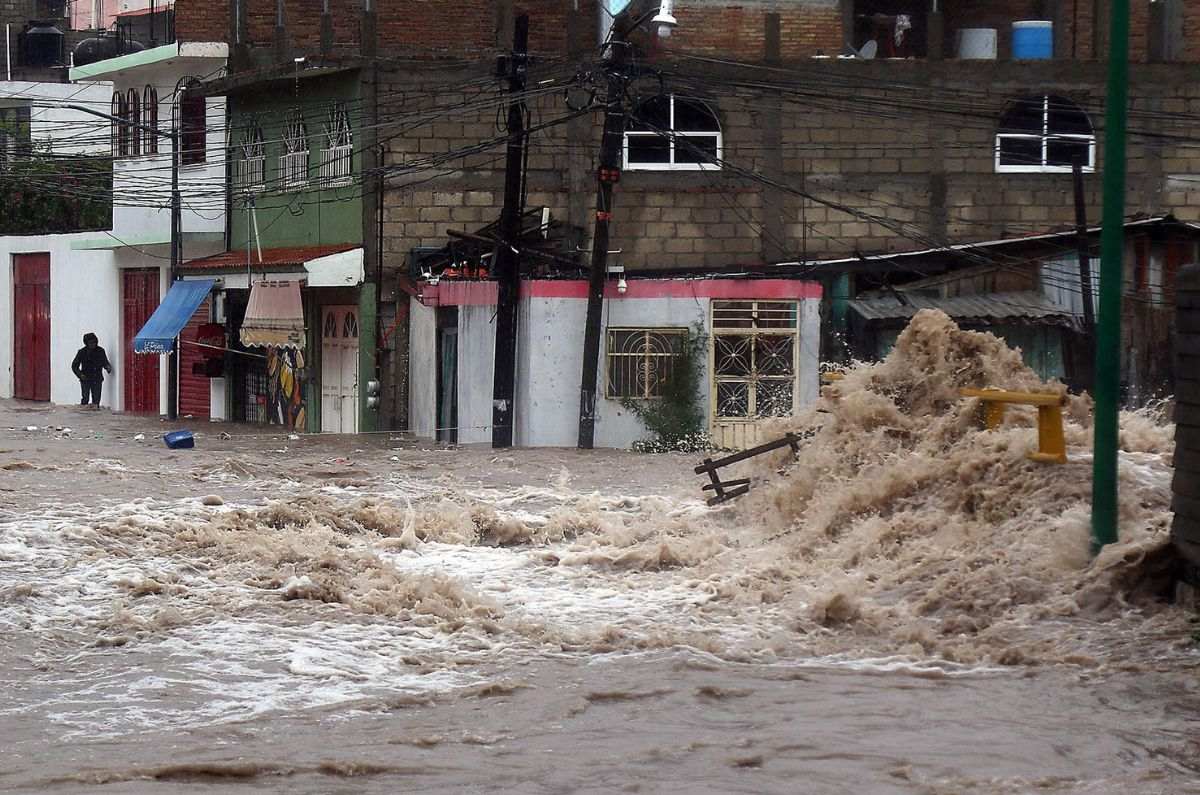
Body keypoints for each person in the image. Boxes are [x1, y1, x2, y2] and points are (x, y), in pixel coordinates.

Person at [71, 333, 112, 409]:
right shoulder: (82, 352)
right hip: (85, 378)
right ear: (86, 343)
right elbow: (74, 366)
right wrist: (80, 375)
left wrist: (107, 367)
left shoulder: (100, 351)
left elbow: (104, 361)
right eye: (90, 343)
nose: (93, 344)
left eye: (94, 342)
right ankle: (84, 416)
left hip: (97, 378)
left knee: (96, 400)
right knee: (85, 398)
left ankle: (96, 416)